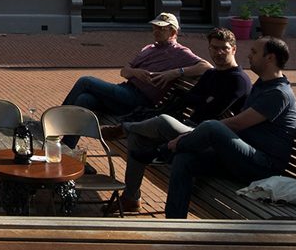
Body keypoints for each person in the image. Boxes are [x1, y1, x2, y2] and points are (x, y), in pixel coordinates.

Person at [99, 28, 252, 214]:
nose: (218, 53)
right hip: (191, 128)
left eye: (224, 49)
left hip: (210, 139)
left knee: (162, 121)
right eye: (214, 48)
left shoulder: (239, 80)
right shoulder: (211, 75)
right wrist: (202, 98)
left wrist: (202, 100)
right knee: (138, 138)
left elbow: (211, 111)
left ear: (234, 49)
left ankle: (123, 129)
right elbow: (192, 99)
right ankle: (130, 198)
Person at [163, 37, 296, 219]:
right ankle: (174, 223)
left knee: (212, 126)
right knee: (184, 159)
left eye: (254, 52)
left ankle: (161, 151)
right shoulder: (262, 85)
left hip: (262, 166)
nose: (249, 56)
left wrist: (186, 138)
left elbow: (237, 123)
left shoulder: (278, 93)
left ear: (270, 58)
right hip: (243, 158)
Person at [60, 12, 212, 147]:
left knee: (85, 81)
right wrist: (135, 72)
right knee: (84, 100)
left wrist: (176, 73)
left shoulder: (180, 52)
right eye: (155, 27)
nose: (156, 31)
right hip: (124, 92)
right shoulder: (149, 48)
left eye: (161, 28)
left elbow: (207, 66)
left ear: (173, 31)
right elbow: (124, 71)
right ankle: (67, 148)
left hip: (139, 100)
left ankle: (56, 121)